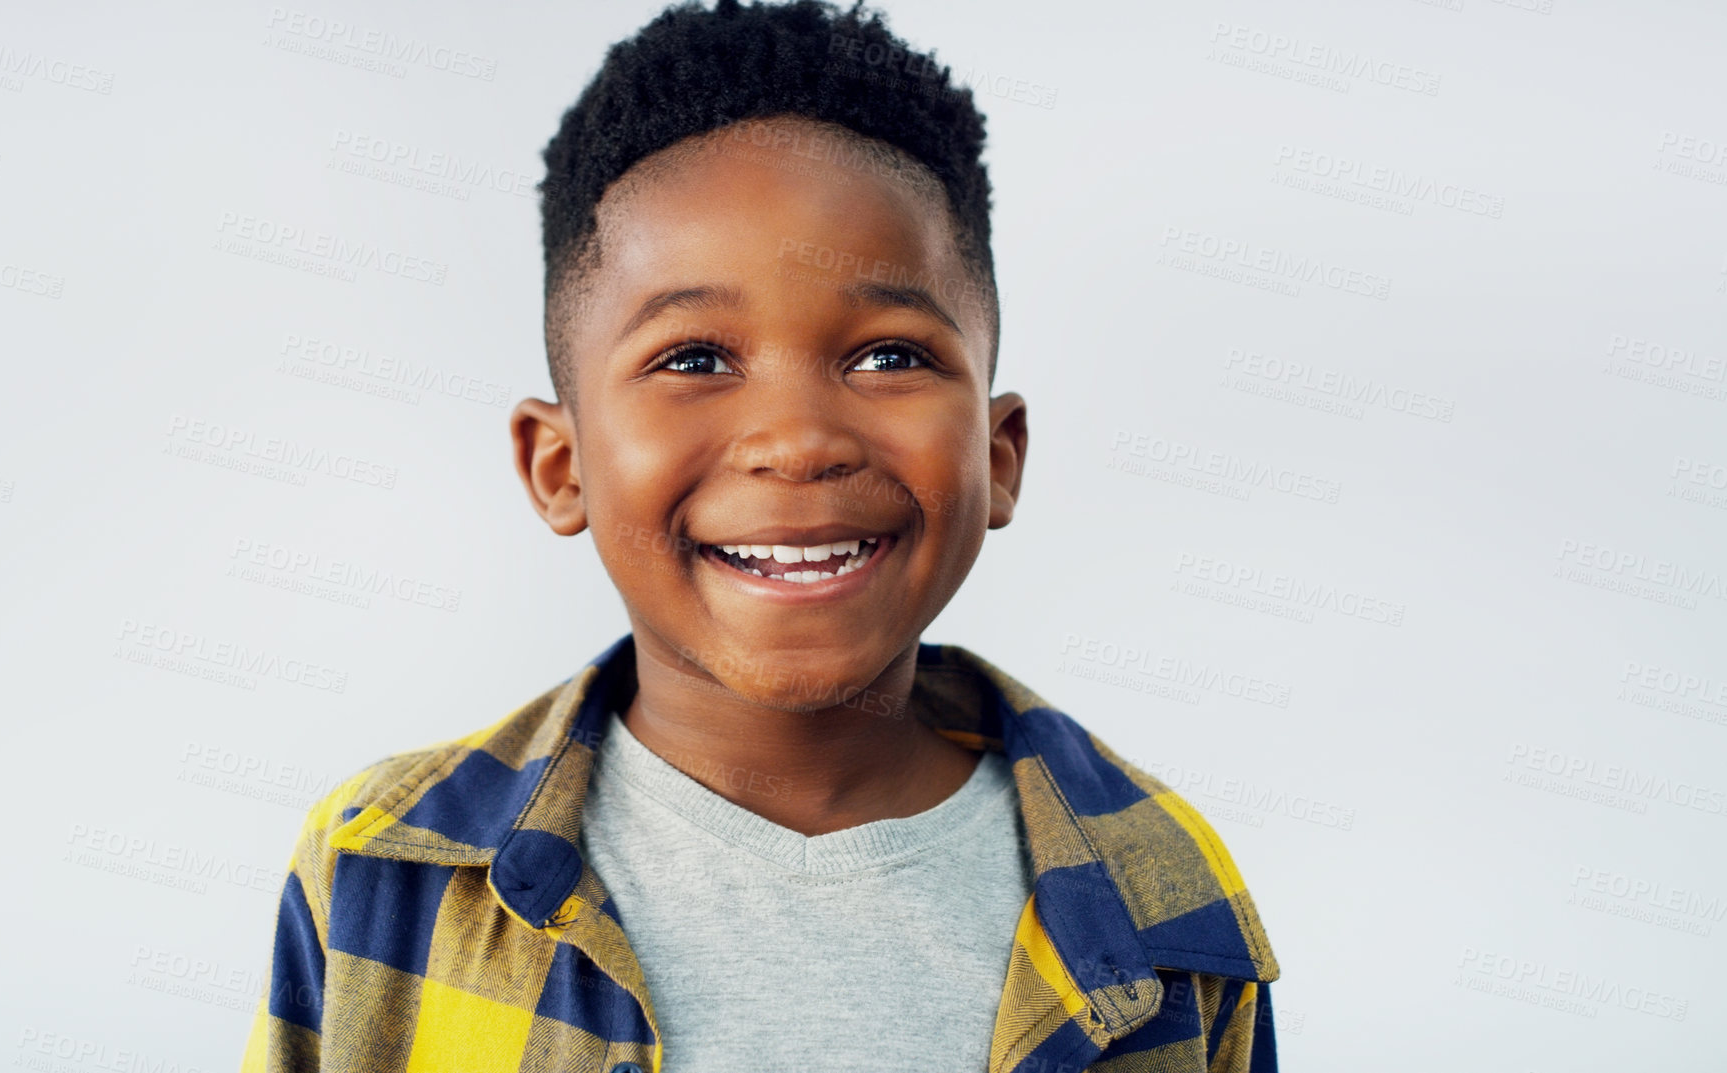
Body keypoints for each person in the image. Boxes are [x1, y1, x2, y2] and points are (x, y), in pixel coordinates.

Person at [241, 2, 1280, 1070]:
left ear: (997, 451)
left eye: (886, 356)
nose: (796, 442)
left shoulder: (1164, 889)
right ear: (561, 467)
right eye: (693, 357)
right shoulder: (381, 868)